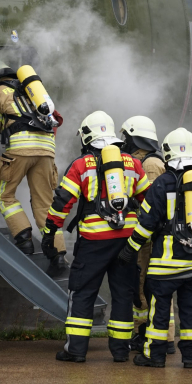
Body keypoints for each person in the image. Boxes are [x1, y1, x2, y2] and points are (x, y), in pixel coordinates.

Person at [42, 111, 150, 363]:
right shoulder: (133, 163)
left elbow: (62, 202)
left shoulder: (81, 165)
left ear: (87, 137)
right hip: (126, 240)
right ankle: (121, 352)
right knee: (123, 293)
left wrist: (50, 231)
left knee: (82, 291)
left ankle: (76, 350)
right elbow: (148, 201)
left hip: (93, 242)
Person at [118, 127, 192, 368]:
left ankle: (154, 357)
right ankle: (191, 358)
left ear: (167, 153)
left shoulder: (162, 184)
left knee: (159, 313)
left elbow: (146, 224)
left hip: (165, 268)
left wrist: (130, 249)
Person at [0, 56, 67, 276]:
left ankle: (24, 242)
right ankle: (58, 255)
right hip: (47, 151)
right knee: (45, 204)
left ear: (0, 77)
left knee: (4, 196)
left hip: (20, 150)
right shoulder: (35, 95)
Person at [121, 116, 175, 355]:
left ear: (136, 138)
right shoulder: (145, 161)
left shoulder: (151, 164)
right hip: (148, 236)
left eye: (127, 138)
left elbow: (152, 206)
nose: (124, 142)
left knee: (144, 285)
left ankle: (154, 336)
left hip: (149, 239)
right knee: (147, 286)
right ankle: (148, 333)